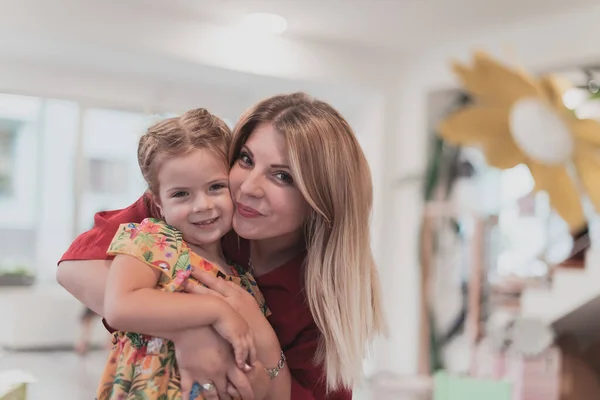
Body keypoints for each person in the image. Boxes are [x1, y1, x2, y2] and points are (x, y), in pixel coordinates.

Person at [57, 93, 386, 400]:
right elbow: (75, 265)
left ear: (322, 199)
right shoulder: (195, 216)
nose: (248, 187)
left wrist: (267, 349)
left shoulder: (322, 293)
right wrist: (190, 331)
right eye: (246, 159)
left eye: (283, 176)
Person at [93, 108, 285, 400]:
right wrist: (216, 311)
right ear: (158, 203)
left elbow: (262, 373)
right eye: (181, 193)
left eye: (216, 187)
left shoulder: (244, 282)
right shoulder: (154, 240)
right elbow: (120, 307)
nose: (202, 205)